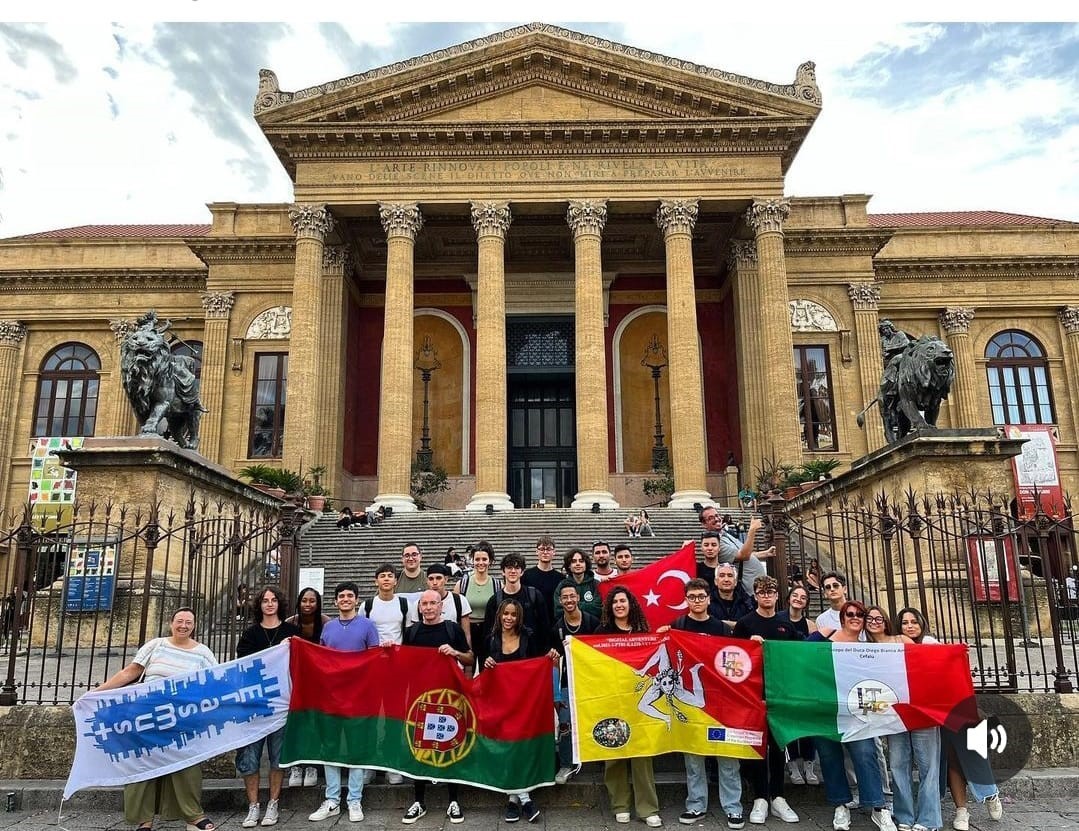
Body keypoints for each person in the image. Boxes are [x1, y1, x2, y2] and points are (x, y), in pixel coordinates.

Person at [94, 607, 219, 831]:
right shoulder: (156, 645)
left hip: (182, 717)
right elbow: (130, 672)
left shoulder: (203, 653)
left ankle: (193, 816)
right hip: (148, 715)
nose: (183, 625)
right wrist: (96, 693)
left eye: (188, 622)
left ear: (194, 626)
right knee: (143, 763)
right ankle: (144, 820)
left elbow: (213, 684)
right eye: (179, 621)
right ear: (171, 623)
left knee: (186, 766)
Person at [898, 608, 1004, 831]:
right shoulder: (899, 648)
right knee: (952, 760)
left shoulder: (930, 644)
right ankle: (961, 810)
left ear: (922, 624)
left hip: (950, 709)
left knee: (970, 752)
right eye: (905, 622)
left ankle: (989, 793)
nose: (910, 626)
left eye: (914, 622)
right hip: (927, 715)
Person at [659, 579, 745, 829]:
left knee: (727, 757)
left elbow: (734, 661)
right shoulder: (677, 626)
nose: (696, 601)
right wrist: (662, 636)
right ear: (686, 600)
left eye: (701, 596)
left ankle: (733, 807)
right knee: (693, 758)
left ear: (709, 598)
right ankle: (696, 804)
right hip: (689, 701)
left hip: (719, 702)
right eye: (692, 597)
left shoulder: (721, 628)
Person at [814, 601, 897, 831]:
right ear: (842, 617)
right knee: (829, 757)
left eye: (859, 614)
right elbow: (796, 654)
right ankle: (841, 805)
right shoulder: (825, 635)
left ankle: (878, 807)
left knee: (865, 754)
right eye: (849, 614)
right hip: (826, 708)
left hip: (857, 711)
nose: (854, 617)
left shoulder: (867, 645)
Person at [862, 607, 941, 831]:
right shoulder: (864, 649)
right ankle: (904, 816)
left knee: (928, 766)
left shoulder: (902, 638)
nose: (875, 622)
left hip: (920, 707)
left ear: (886, 621)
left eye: (879, 618)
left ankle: (929, 819)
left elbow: (928, 664)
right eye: (870, 619)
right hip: (892, 713)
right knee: (897, 765)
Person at [732, 576, 801, 825]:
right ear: (755, 595)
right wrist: (748, 645)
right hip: (753, 695)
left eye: (771, 591)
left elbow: (798, 657)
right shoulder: (745, 623)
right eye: (762, 592)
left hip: (780, 694)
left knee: (777, 746)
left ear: (776, 595)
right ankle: (760, 797)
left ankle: (778, 797)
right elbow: (734, 657)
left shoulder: (786, 625)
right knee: (758, 746)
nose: (767, 596)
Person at [308, 581, 379, 823]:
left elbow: (374, 660)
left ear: (357, 600)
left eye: (350, 595)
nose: (346, 599)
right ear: (335, 601)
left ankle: (355, 799)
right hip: (332, 697)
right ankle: (332, 799)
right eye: (341, 596)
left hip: (358, 698)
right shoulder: (328, 629)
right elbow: (321, 659)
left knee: (356, 749)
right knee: (331, 748)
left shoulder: (368, 626)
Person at [401, 590, 474, 825]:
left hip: (449, 699)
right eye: (425, 604)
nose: (429, 607)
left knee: (451, 745)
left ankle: (454, 800)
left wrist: (455, 653)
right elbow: (402, 662)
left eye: (433, 603)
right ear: (420, 607)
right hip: (421, 699)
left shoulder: (452, 629)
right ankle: (419, 801)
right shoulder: (411, 632)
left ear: (441, 606)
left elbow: (471, 658)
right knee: (419, 747)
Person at [235, 587, 301, 827]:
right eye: (265, 600)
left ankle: (273, 803)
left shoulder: (292, 632)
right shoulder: (250, 634)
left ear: (279, 604)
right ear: (259, 605)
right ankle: (253, 806)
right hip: (255, 706)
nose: (270, 604)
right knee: (249, 758)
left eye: (274, 600)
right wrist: (276, 651)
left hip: (282, 704)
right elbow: (244, 664)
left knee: (278, 757)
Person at [596, 587, 661, 828]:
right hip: (612, 699)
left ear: (630, 604)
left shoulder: (644, 632)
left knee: (642, 754)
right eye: (615, 602)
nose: (619, 605)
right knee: (614, 752)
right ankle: (620, 805)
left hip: (639, 700)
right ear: (610, 607)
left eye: (622, 601)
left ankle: (647, 808)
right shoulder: (601, 632)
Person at [482, 598, 544, 823]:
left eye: (513, 614)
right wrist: (488, 662)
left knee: (521, 749)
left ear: (519, 617)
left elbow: (537, 664)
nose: (508, 618)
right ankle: (523, 799)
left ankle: (514, 800)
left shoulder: (529, 637)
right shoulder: (490, 639)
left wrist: (551, 659)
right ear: (499, 615)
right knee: (509, 748)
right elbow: (483, 671)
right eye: (505, 614)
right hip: (500, 702)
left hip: (524, 702)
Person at [548, 583, 600, 785]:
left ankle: (599, 757)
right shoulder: (557, 627)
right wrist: (555, 693)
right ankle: (566, 765)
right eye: (565, 598)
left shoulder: (592, 622)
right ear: (561, 601)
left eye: (572, 596)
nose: (569, 600)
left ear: (578, 598)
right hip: (566, 681)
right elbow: (553, 660)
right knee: (564, 723)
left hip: (590, 681)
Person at [284, 587, 329, 789]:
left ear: (318, 603)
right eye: (304, 600)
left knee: (315, 721)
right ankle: (296, 765)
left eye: (312, 601)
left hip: (318, 679)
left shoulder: (326, 622)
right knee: (297, 721)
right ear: (299, 602)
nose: (308, 604)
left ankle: (312, 765)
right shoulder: (290, 623)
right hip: (296, 678)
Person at [776, 586, 818, 786]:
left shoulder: (810, 624)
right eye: (795, 595)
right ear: (788, 598)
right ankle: (792, 765)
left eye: (803, 597)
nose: (798, 599)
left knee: (807, 723)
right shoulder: (777, 620)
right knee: (790, 723)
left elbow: (816, 652)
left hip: (804, 679)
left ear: (807, 602)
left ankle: (809, 765)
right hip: (784, 678)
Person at [697, 507, 774, 596]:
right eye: (711, 518)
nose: (716, 519)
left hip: (759, 587)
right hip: (750, 591)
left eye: (717, 515)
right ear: (704, 524)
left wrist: (766, 553)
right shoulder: (717, 544)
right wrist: (752, 530)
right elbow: (744, 555)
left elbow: (743, 553)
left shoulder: (725, 535)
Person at [455, 541, 502, 670]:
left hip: (488, 631)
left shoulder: (497, 585)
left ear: (490, 561)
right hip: (467, 630)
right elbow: (455, 610)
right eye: (477, 559)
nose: (481, 562)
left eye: (484, 559)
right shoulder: (462, 584)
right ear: (472, 561)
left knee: (487, 669)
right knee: (466, 670)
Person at [522, 534, 564, 631]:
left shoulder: (561, 578)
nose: (545, 552)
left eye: (548, 549)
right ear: (536, 551)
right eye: (542, 549)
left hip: (554, 624)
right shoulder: (526, 576)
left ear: (554, 552)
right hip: (531, 625)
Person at [427, 563, 472, 646]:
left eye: (438, 578)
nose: (435, 582)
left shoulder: (459, 600)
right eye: (431, 579)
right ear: (427, 581)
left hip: (453, 650)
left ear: (446, 579)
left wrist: (467, 654)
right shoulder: (420, 603)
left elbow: (466, 634)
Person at [556, 549, 603, 619]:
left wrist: (572, 605)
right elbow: (558, 611)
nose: (578, 564)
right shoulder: (562, 586)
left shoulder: (596, 584)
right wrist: (588, 606)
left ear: (586, 564)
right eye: (574, 561)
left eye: (581, 561)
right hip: (569, 627)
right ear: (569, 565)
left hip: (593, 627)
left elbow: (599, 610)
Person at [711, 563, 755, 630]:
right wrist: (737, 625)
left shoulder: (747, 603)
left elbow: (751, 625)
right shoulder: (707, 602)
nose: (726, 579)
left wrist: (721, 623)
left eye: (730, 576)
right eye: (722, 576)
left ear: (735, 582)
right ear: (715, 581)